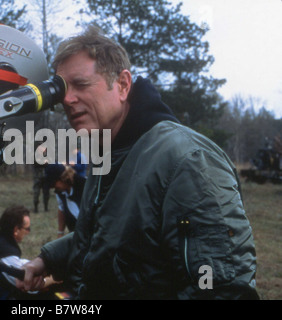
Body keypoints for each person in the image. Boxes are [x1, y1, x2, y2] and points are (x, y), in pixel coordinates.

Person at [16, 26, 259, 299]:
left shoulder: (187, 160)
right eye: (63, 91)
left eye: (82, 84)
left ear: (122, 85)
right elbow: (110, 236)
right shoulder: (107, 152)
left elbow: (221, 288)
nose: (68, 100)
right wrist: (48, 260)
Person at [45, 163, 86, 237]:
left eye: (53, 184)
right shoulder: (60, 192)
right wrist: (60, 233)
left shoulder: (85, 186)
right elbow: (62, 209)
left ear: (63, 178)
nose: (53, 187)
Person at [32, 145, 50, 213]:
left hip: (45, 177)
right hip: (37, 177)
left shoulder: (47, 156)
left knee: (46, 193)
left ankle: (46, 207)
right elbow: (37, 163)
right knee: (36, 192)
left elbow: (49, 163)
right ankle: (36, 208)